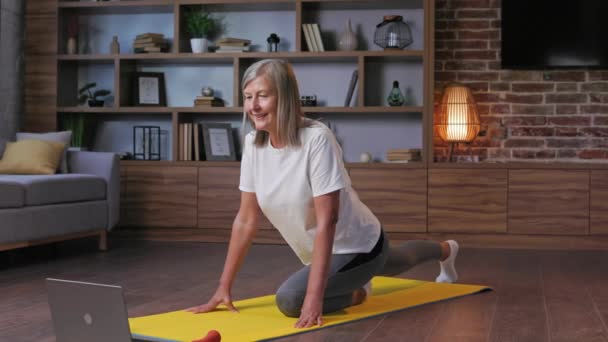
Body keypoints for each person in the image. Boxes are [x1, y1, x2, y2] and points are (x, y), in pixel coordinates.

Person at [186, 59, 459, 328]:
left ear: (286, 98)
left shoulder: (317, 139)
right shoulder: (253, 145)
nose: (253, 106)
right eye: (248, 97)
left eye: (262, 96)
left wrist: (315, 297)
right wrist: (224, 287)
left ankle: (366, 287)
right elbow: (246, 220)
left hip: (358, 244)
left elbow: (328, 219)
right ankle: (445, 250)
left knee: (292, 299)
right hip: (327, 252)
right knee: (397, 260)